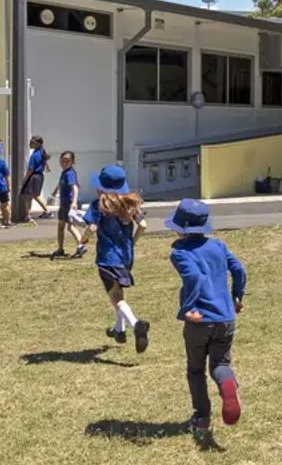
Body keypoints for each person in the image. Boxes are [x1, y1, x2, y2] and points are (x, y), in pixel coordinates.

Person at [167, 198, 249, 443]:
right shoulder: (219, 246)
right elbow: (239, 269)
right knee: (220, 364)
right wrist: (237, 295)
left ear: (180, 227)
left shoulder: (180, 252)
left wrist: (187, 309)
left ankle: (202, 417)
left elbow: (194, 277)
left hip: (199, 321)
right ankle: (228, 385)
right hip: (225, 318)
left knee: (195, 369)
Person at [85, 164, 149, 352]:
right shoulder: (130, 204)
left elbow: (92, 227)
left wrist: (83, 239)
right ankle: (119, 330)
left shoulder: (98, 205)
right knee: (118, 290)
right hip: (126, 256)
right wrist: (132, 242)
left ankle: (135, 324)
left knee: (115, 297)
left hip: (108, 257)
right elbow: (143, 225)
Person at [51, 150, 87, 258]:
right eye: (62, 161)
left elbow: (75, 188)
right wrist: (54, 192)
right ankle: (60, 249)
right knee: (61, 226)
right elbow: (60, 184)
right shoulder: (65, 172)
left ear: (72, 162)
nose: (64, 163)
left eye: (67, 161)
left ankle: (81, 245)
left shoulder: (69, 173)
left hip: (69, 204)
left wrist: (74, 202)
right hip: (63, 204)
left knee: (70, 227)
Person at [17, 136, 50, 223]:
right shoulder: (41, 152)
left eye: (32, 143)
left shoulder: (34, 155)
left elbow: (30, 169)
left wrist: (25, 178)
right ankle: (28, 214)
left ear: (38, 144)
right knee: (31, 195)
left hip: (33, 176)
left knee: (31, 195)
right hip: (39, 176)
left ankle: (46, 211)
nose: (29, 144)